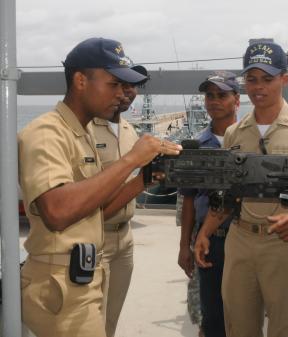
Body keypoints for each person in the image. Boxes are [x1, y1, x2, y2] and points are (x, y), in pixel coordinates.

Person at [18, 37, 181, 337]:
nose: (121, 94)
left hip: (85, 274)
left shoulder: (80, 132)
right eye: (113, 84)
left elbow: (97, 210)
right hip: (61, 284)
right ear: (81, 80)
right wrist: (131, 159)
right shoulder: (45, 132)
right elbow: (57, 211)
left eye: (124, 86)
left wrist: (145, 178)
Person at [195, 42, 288, 337]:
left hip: (287, 244)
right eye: (252, 79)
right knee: (238, 326)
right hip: (240, 241)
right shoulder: (233, 134)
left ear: (284, 79)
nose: (258, 87)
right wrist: (205, 233)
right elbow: (227, 194)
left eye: (267, 78)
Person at [179, 71, 240, 337]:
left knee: (245, 312)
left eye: (222, 95)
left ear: (236, 100)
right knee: (210, 315)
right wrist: (185, 247)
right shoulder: (196, 147)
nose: (215, 101)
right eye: (210, 96)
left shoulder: (250, 141)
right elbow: (189, 199)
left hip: (245, 236)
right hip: (210, 240)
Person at [91, 64, 148, 337]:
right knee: (91, 324)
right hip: (94, 238)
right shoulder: (86, 130)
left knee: (110, 322)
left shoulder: (129, 131)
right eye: (119, 85)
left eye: (132, 86)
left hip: (124, 239)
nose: (127, 93)